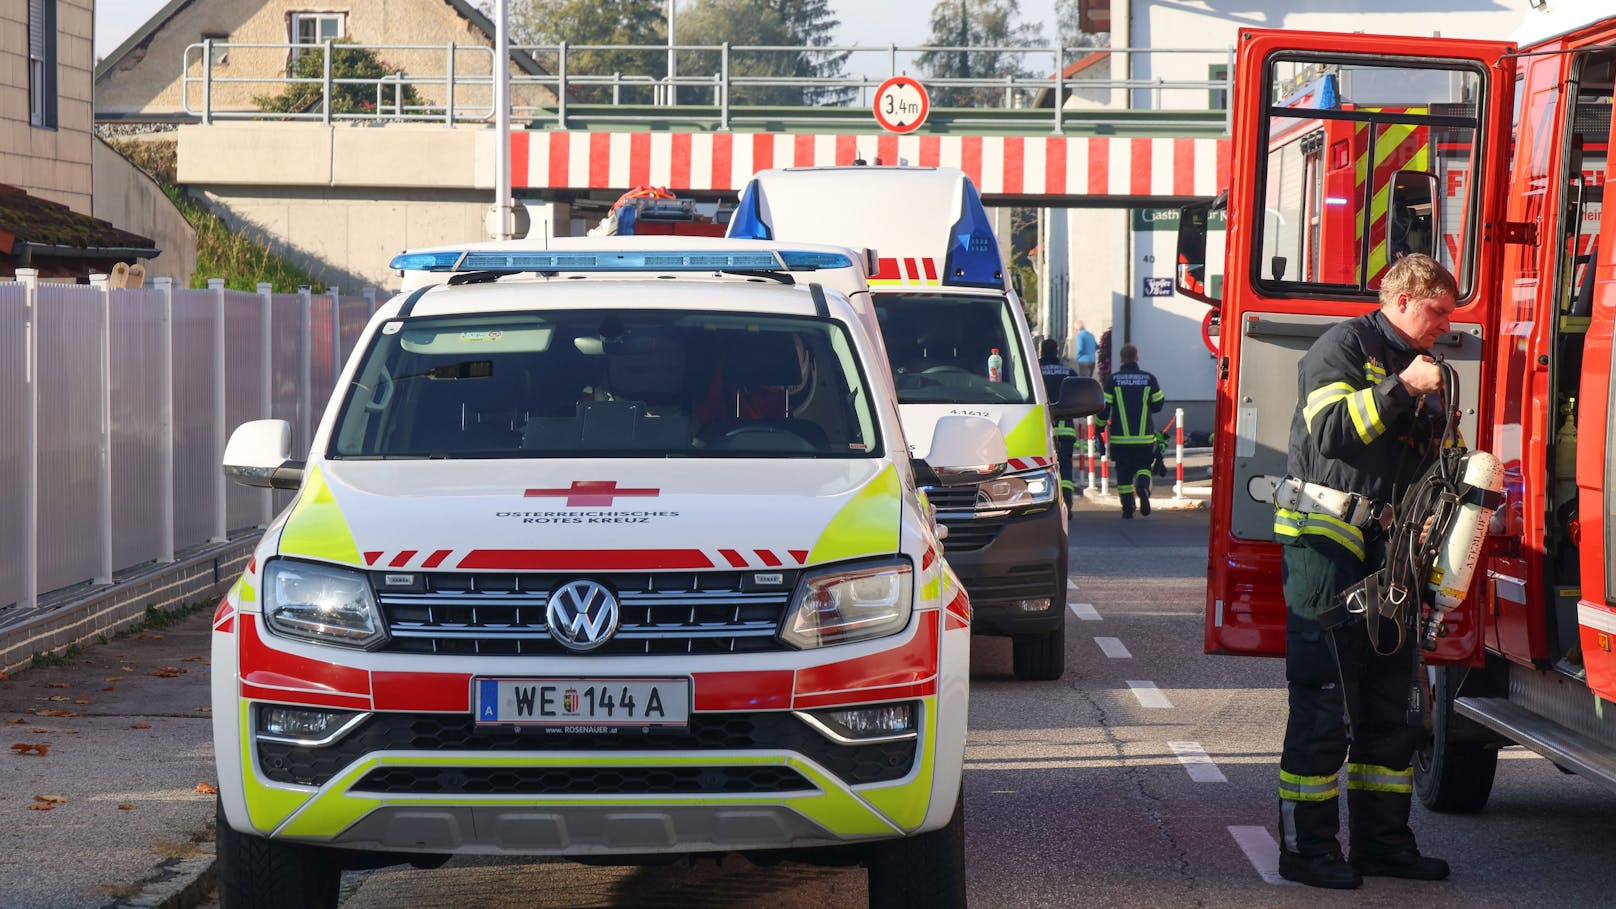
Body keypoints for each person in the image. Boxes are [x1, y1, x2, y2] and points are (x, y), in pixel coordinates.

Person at [1272, 253, 1456, 890]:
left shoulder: (1427, 369)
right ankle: (1306, 851)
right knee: (1324, 708)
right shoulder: (1343, 346)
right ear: (1405, 298)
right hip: (1324, 545)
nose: (1444, 327)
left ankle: (1382, 845)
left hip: (1393, 555)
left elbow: (1431, 462)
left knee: (1389, 710)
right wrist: (1402, 388)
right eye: (1438, 313)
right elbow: (1331, 434)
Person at [1102, 343, 1164, 519]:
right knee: (1143, 467)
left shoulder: (1112, 380)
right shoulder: (1149, 379)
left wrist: (1099, 426)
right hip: (1144, 438)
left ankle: (1128, 508)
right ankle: (1143, 487)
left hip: (1120, 439)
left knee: (1123, 473)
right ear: (1137, 358)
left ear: (1121, 359)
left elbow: (1104, 408)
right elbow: (1158, 404)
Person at [1037, 338, 1079, 508]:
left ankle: (1044, 505)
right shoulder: (1068, 371)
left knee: (1040, 469)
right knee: (1065, 467)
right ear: (1056, 352)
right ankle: (1067, 501)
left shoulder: (1034, 371)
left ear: (1040, 352)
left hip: (1039, 431)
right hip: (1065, 430)